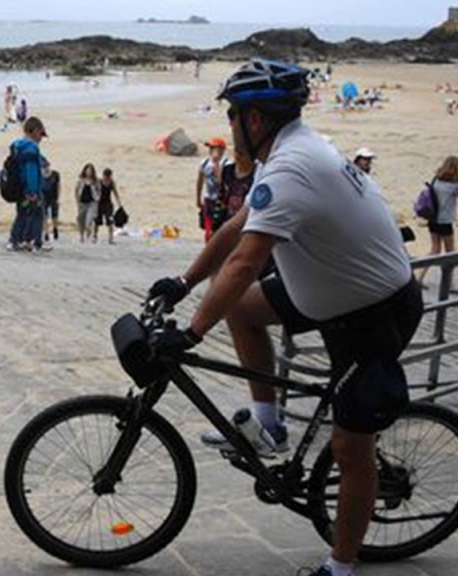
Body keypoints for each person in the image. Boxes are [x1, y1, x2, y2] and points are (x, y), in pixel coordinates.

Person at [148, 59, 421, 576]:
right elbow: (235, 226)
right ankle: (270, 425)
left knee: (349, 446)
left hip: (372, 313)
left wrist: (189, 332)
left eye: (232, 116)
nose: (229, 127)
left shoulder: (294, 165)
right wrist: (183, 283)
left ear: (254, 121)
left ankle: (340, 566)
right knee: (244, 311)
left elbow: (247, 260)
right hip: (332, 291)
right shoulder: (287, 153)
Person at [6, 116, 49, 252]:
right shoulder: (30, 147)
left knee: (23, 214)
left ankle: (18, 241)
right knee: (36, 215)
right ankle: (33, 242)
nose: (41, 138)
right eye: (41, 134)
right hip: (29, 188)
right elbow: (30, 171)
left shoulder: (18, 146)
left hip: (20, 187)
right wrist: (32, 191)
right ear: (35, 131)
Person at [415, 156, 458, 287]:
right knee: (450, 254)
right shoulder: (454, 185)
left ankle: (419, 277)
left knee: (435, 250)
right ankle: (449, 284)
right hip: (444, 222)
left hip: (432, 220)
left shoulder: (436, 180)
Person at [196, 137, 228, 241]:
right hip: (208, 200)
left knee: (219, 230)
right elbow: (200, 181)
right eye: (210, 148)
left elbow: (222, 182)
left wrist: (216, 164)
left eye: (214, 148)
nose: (211, 150)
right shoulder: (204, 162)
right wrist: (198, 198)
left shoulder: (227, 164)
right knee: (208, 230)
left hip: (221, 201)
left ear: (221, 150)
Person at [219, 146, 255, 222]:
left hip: (246, 221)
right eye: (236, 152)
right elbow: (221, 192)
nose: (238, 156)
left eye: (242, 154)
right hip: (226, 218)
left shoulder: (257, 173)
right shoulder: (227, 170)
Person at [75, 163, 101, 243]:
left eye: (90, 171)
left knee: (89, 220)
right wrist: (77, 200)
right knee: (80, 220)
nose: (89, 172)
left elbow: (99, 190)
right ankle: (81, 235)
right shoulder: (80, 180)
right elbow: (76, 190)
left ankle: (89, 231)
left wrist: (97, 198)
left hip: (91, 203)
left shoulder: (96, 181)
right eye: (87, 170)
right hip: (82, 203)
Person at [96, 168, 122, 244]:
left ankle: (110, 239)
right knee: (97, 221)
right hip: (99, 203)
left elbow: (115, 193)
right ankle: (95, 236)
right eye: (106, 176)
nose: (107, 178)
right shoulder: (99, 182)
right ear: (103, 175)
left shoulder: (112, 183)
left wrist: (119, 203)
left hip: (108, 204)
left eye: (109, 176)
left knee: (110, 221)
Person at [42, 160, 61, 245]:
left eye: (47, 166)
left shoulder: (55, 174)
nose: (46, 168)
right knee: (45, 216)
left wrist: (58, 197)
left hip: (53, 197)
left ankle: (55, 228)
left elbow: (58, 186)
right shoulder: (40, 175)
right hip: (44, 199)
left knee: (54, 215)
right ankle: (46, 233)